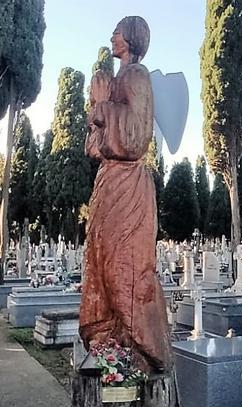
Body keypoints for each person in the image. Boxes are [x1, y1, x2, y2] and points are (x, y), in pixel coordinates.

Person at [79, 16, 172, 373]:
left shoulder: (136, 76)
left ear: (131, 38)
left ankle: (142, 348)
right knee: (100, 259)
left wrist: (102, 107)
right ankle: (108, 339)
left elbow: (135, 137)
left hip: (128, 185)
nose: (112, 36)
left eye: (117, 31)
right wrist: (97, 107)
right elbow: (94, 148)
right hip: (109, 180)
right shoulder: (117, 79)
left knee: (124, 265)